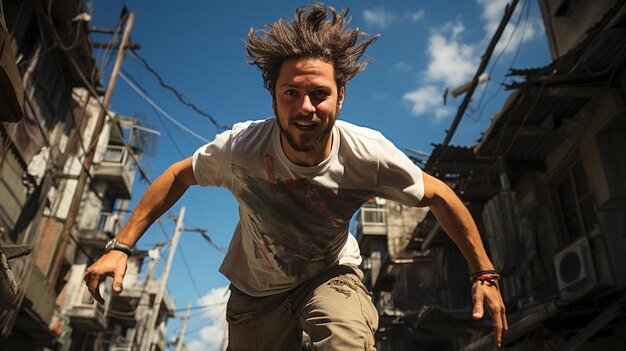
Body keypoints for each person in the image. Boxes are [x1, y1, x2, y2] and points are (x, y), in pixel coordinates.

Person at [84, 3, 507, 350]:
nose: (306, 107)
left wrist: (483, 272)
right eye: (292, 93)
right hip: (255, 291)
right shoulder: (242, 148)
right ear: (273, 97)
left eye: (320, 94)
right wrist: (121, 246)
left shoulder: (366, 153)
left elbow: (439, 195)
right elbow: (179, 175)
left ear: (340, 98)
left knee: (348, 341)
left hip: (329, 274)